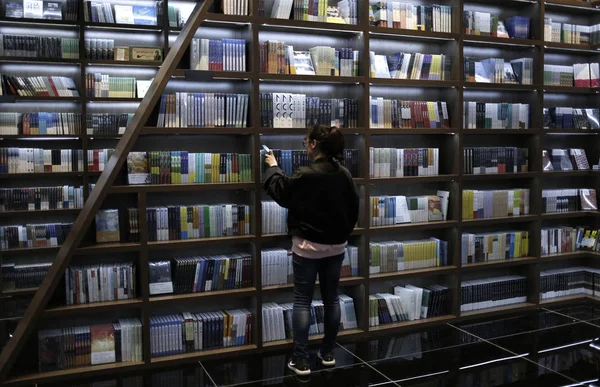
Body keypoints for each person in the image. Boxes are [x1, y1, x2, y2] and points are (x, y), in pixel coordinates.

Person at [263, 125, 359, 376]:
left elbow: (282, 191)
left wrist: (272, 166)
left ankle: (301, 359)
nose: (305, 145)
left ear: (314, 144)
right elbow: (354, 210)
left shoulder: (306, 174)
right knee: (332, 299)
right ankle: (328, 354)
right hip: (336, 247)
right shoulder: (345, 174)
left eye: (306, 141)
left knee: (302, 302)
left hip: (307, 248)